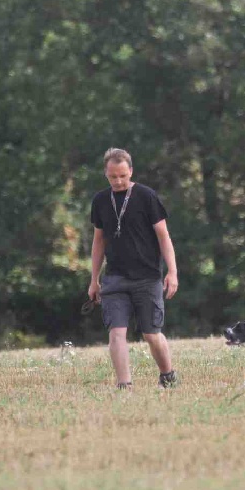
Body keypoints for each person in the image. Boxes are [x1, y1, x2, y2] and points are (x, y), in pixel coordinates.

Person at [88, 148, 179, 389]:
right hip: (115, 279)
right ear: (106, 173)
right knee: (116, 333)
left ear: (131, 171)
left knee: (151, 334)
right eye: (112, 177)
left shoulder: (146, 196)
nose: (118, 181)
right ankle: (124, 385)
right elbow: (98, 241)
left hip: (147, 277)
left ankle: (167, 375)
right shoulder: (100, 200)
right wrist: (94, 279)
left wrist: (172, 272)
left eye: (122, 176)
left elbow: (163, 236)